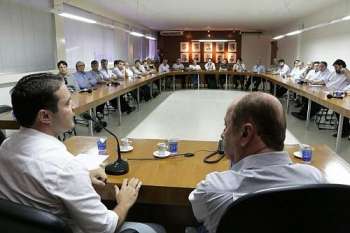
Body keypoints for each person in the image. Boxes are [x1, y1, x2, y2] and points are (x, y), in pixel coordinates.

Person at [0, 73, 165, 233]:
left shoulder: (6, 147)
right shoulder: (65, 167)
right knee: (156, 228)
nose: (74, 107)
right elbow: (106, 228)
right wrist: (124, 202)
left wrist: (83, 174)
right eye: (67, 103)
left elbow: (40, 180)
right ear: (45, 116)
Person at [189, 92, 325, 233]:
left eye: (227, 125)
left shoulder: (214, 189)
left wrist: (235, 160)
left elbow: (193, 214)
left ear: (245, 133)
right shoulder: (315, 179)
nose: (223, 133)